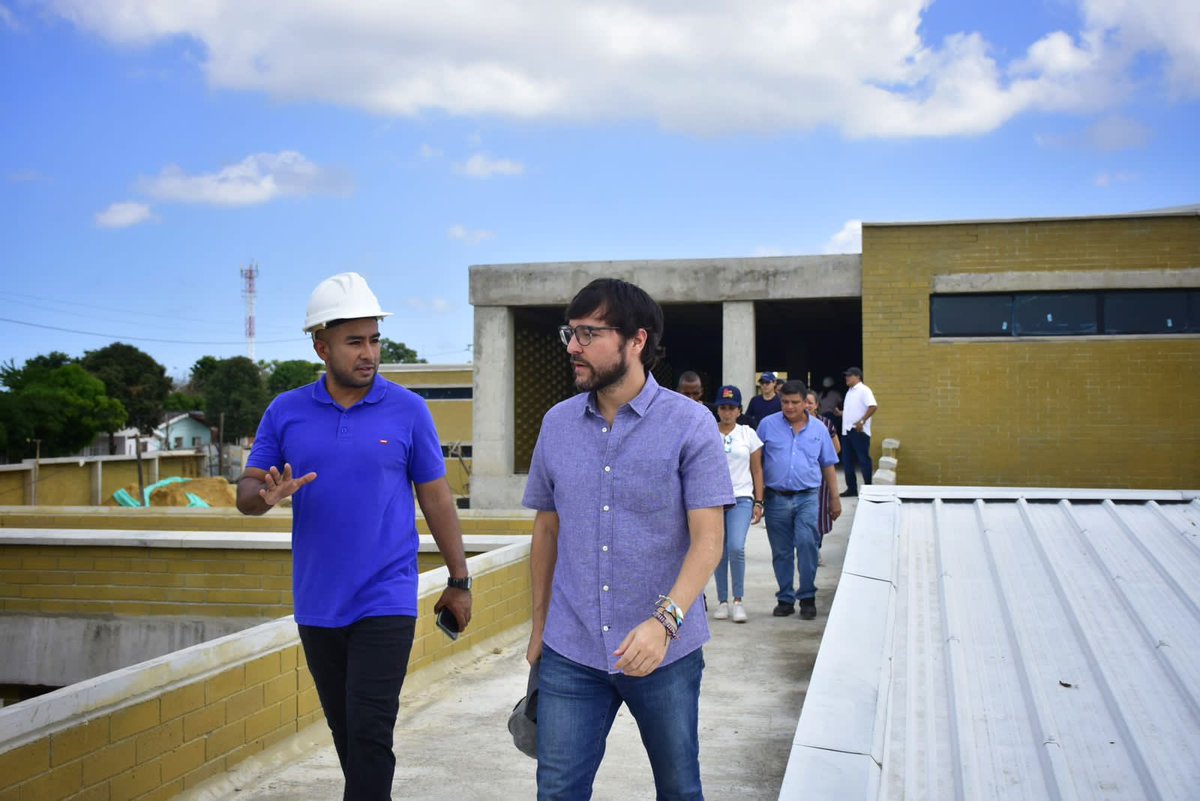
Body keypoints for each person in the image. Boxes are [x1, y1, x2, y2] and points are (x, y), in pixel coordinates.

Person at [237, 272, 473, 801]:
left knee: (370, 732)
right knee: (348, 735)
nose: (369, 353)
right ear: (321, 345)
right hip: (318, 601)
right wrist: (266, 497)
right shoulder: (286, 410)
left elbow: (436, 497)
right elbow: (246, 493)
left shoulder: (408, 410)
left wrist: (460, 580)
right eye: (354, 342)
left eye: (374, 340)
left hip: (385, 597)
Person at [523, 278, 733, 800]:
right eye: (569, 333)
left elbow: (709, 540)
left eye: (589, 333)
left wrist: (664, 624)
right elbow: (547, 529)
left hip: (665, 653)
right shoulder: (556, 425)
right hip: (571, 650)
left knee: (680, 789)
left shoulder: (691, 424)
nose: (572, 346)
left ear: (636, 341)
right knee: (556, 792)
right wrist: (539, 627)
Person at [757, 380, 841, 620]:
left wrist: (834, 499)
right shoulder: (767, 426)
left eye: (795, 402)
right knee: (781, 551)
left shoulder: (819, 429)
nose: (790, 407)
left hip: (807, 497)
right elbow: (757, 464)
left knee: (807, 544)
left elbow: (828, 465)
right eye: (785, 402)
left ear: (806, 403)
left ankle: (807, 596)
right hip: (776, 498)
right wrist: (758, 499)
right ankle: (785, 598)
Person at [711, 385, 763, 623]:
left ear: (739, 410)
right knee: (718, 552)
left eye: (732, 408)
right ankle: (722, 601)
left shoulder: (747, 434)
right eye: (723, 407)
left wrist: (759, 500)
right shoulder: (709, 431)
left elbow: (757, 469)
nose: (727, 412)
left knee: (736, 547)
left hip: (741, 497)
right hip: (713, 499)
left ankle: (738, 600)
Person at [805, 389, 840, 547]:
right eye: (804, 402)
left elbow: (836, 448)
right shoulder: (793, 424)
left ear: (817, 405)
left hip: (821, 475)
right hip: (802, 476)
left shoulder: (825, 424)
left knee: (819, 512)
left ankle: (815, 547)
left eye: (810, 403)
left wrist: (821, 457)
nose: (806, 406)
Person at [840, 366, 878, 498]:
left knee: (863, 459)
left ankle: (868, 487)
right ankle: (851, 488)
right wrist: (841, 414)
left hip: (858, 430)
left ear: (857, 377)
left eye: (849, 376)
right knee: (847, 460)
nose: (847, 378)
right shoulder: (850, 391)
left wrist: (862, 421)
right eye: (846, 376)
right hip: (847, 430)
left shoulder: (864, 390)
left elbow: (873, 406)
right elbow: (853, 410)